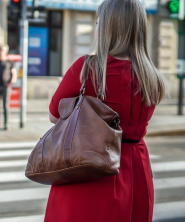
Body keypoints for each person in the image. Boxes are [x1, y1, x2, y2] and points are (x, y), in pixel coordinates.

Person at [44, 1, 167, 222]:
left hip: (90, 169)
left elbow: (54, 115)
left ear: (108, 27)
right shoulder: (152, 77)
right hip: (136, 171)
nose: (97, 26)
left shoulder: (87, 69)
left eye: (99, 21)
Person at [0, 45, 17, 130]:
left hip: (6, 86)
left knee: (6, 106)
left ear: (6, 51)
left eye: (2, 50)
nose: (1, 52)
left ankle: (6, 124)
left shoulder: (9, 62)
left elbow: (14, 74)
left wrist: (11, 82)